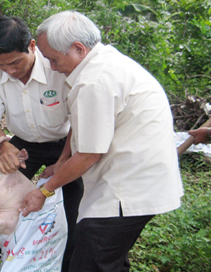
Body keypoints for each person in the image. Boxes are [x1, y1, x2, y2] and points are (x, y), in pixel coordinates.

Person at [19, 11, 184, 271]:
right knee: (108, 259)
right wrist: (61, 162)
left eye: (53, 59)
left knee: (90, 262)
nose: (52, 67)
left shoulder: (93, 82)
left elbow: (88, 155)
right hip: (138, 180)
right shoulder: (106, 64)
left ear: (78, 48)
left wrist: (44, 191)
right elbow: (80, 123)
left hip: (126, 191)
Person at [0, 15, 83, 272]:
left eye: (15, 62)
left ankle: (63, 264)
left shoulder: (58, 68)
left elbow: (78, 121)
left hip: (66, 143)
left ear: (32, 46)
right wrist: (4, 144)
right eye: (2, 65)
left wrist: (62, 162)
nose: (11, 71)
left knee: (72, 209)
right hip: (19, 145)